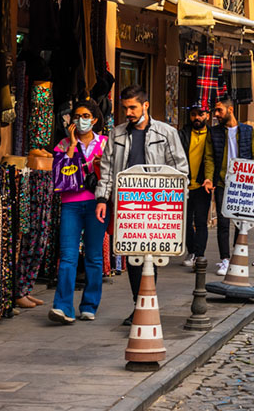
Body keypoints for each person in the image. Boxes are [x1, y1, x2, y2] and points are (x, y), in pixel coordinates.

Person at [95, 85, 188, 326]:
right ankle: (140, 304)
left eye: (133, 107)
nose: (129, 112)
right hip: (127, 205)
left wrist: (179, 202)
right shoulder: (115, 134)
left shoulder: (166, 133)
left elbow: (180, 169)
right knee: (132, 256)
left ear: (145, 105)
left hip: (158, 204)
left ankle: (145, 305)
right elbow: (106, 170)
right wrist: (103, 199)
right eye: (125, 108)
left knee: (150, 254)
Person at [48, 100, 109, 324]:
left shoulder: (106, 143)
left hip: (96, 203)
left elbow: (112, 174)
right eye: (77, 116)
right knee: (68, 256)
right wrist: (72, 146)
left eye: (85, 116)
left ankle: (89, 305)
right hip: (71, 204)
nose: (80, 120)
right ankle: (62, 306)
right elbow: (61, 176)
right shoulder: (62, 145)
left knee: (93, 256)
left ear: (94, 119)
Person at [210, 95, 254, 277]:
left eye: (219, 110)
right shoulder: (214, 132)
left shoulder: (246, 131)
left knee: (240, 222)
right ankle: (225, 259)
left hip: (242, 184)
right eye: (215, 110)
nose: (216, 114)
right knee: (223, 222)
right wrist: (208, 178)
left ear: (230, 110)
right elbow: (209, 158)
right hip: (223, 182)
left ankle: (237, 255)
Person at [179, 104, 215, 268]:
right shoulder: (183, 134)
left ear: (207, 115)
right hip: (184, 185)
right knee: (184, 222)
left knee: (200, 221)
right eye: (193, 114)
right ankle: (192, 250)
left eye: (200, 114)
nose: (197, 118)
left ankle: (199, 255)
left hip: (203, 185)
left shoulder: (213, 134)